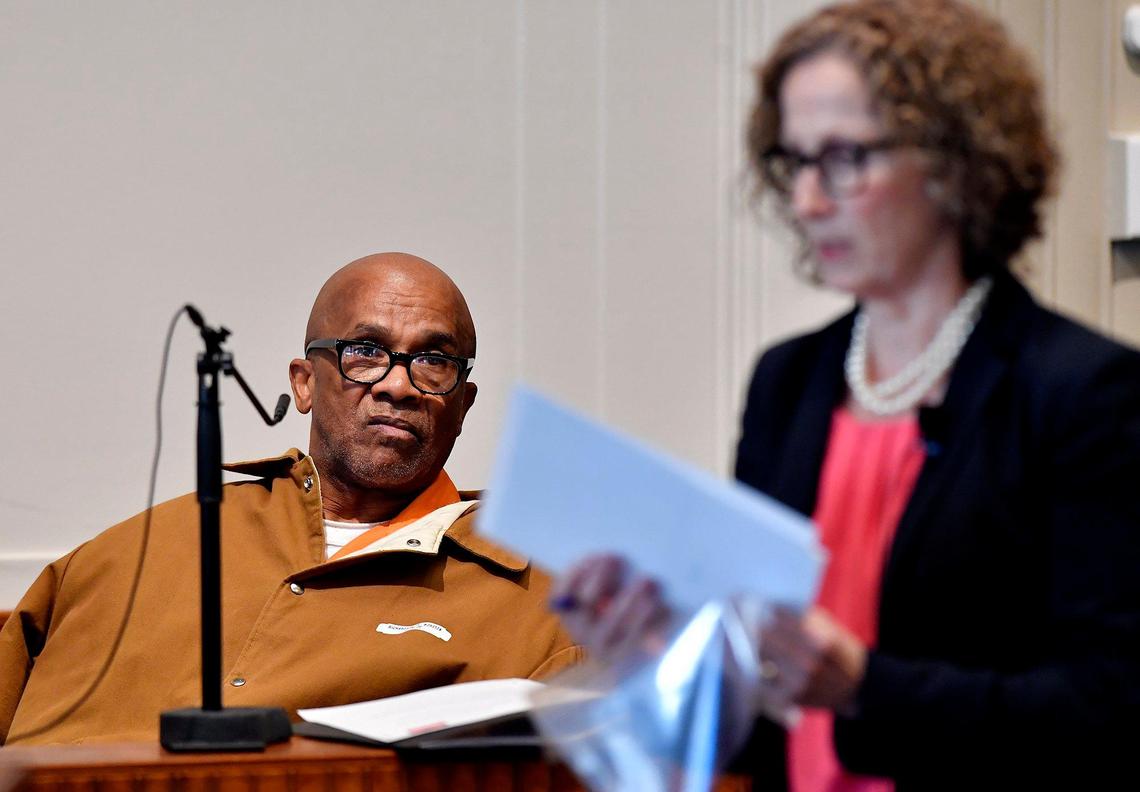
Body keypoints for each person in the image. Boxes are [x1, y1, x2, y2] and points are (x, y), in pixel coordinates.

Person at [552, 0, 1140, 788]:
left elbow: (1110, 711)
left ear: (957, 160)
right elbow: (760, 704)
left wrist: (868, 688)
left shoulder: (1081, 391)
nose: (806, 202)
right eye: (796, 162)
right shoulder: (787, 383)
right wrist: (653, 651)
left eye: (843, 158)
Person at [0, 252, 582, 745]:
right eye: (365, 351)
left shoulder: (536, 605)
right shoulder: (132, 555)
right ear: (304, 383)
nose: (398, 384)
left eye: (433, 361)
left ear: (464, 403)